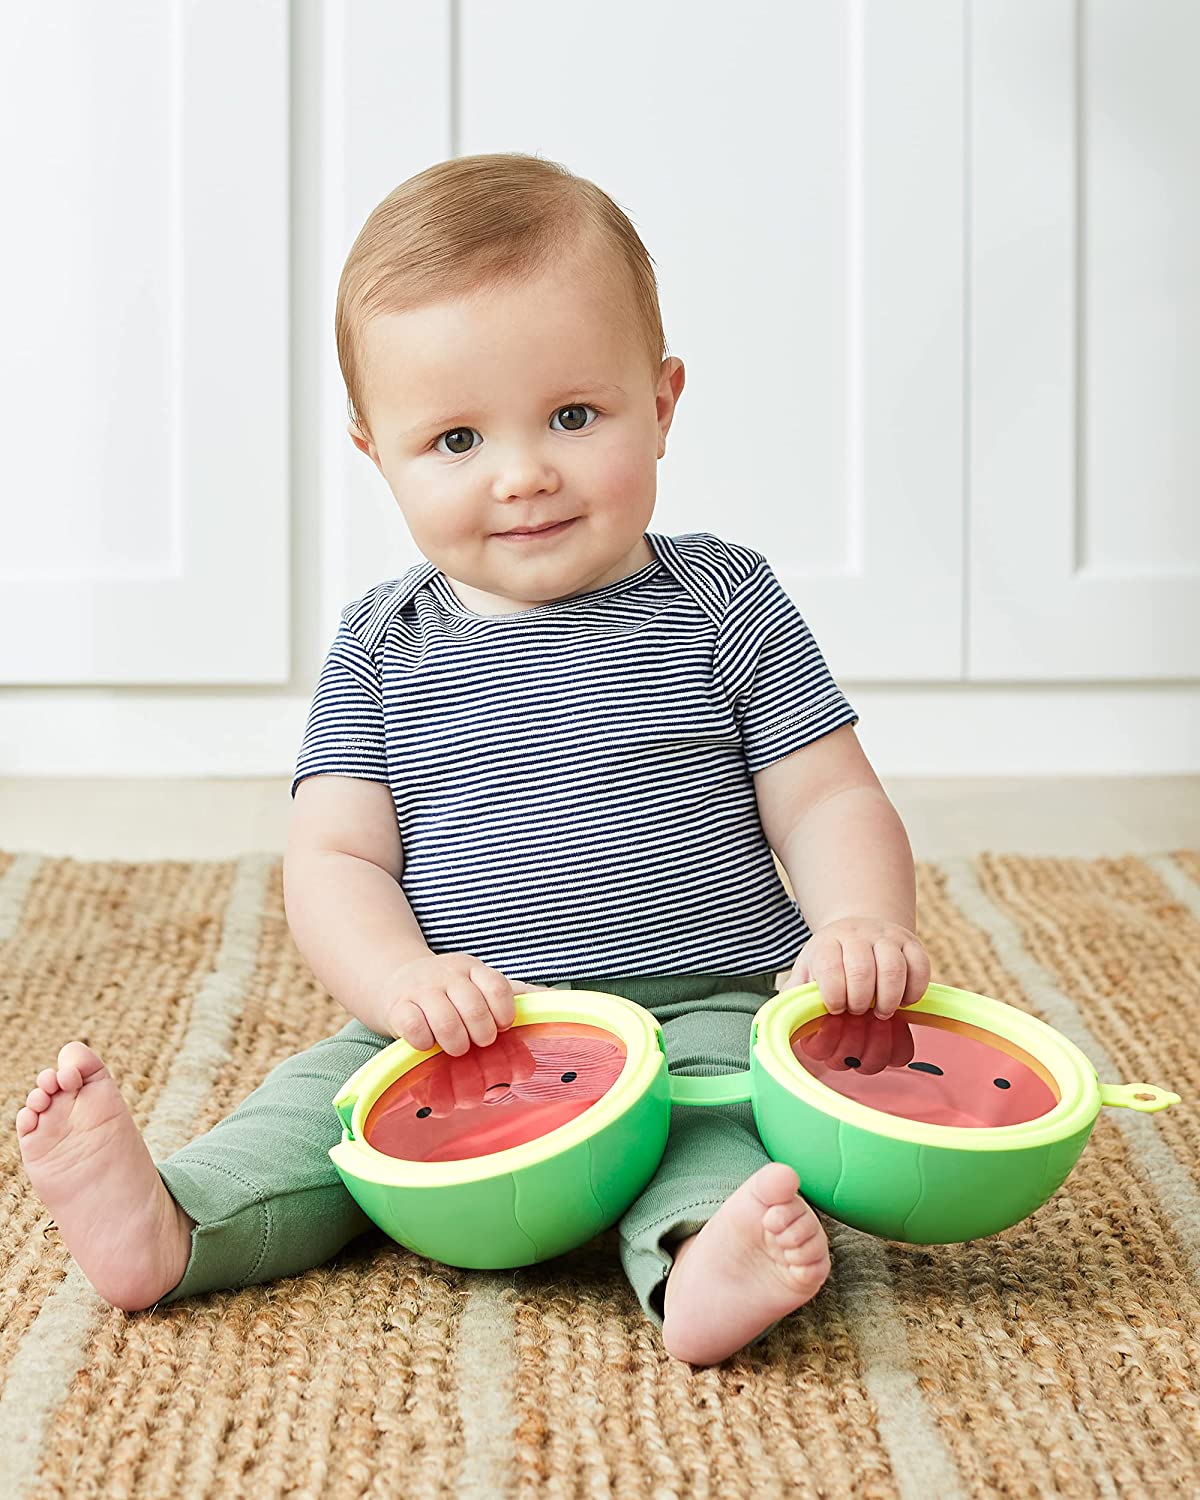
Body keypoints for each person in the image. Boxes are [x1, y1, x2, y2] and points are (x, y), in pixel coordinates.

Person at [16, 152, 931, 1368]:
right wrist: (401, 979)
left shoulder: (723, 601)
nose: (522, 472)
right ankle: (171, 1221)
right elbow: (335, 853)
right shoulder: (383, 641)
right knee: (321, 1114)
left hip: (691, 1016)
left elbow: (824, 796)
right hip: (459, 1029)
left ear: (661, 403)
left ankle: (705, 1262)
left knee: (738, 1129)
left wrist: (859, 923)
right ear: (375, 454)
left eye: (572, 416)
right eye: (454, 438)